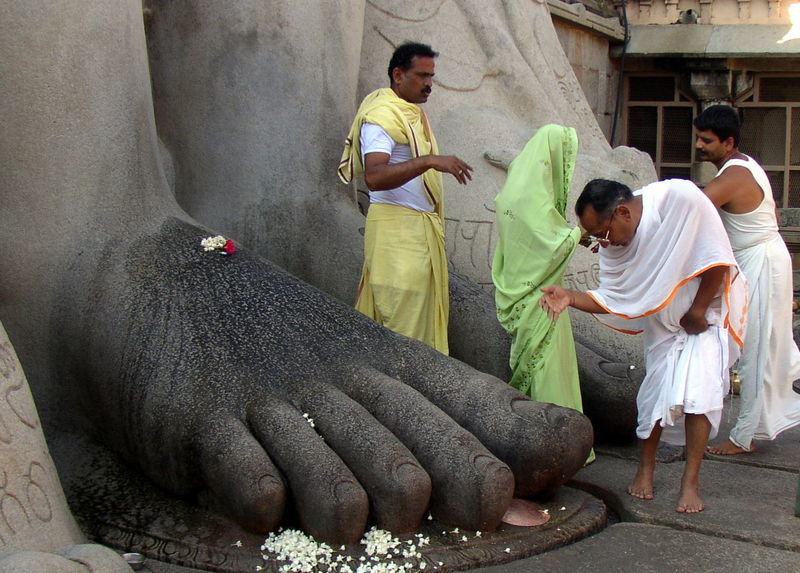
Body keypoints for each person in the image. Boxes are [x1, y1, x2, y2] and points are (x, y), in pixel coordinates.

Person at [539, 178, 747, 513]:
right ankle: (645, 468)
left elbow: (718, 260)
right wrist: (571, 297)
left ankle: (690, 481)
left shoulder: (679, 199)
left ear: (622, 213)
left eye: (601, 233)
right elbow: (614, 295)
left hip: (706, 308)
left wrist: (696, 312)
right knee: (654, 392)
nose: (600, 244)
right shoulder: (613, 244)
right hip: (663, 318)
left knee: (700, 394)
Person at [338, 42, 473, 354]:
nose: (428, 84)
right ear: (398, 75)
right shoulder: (382, 116)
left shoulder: (411, 114)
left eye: (432, 77)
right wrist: (428, 161)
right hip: (396, 235)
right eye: (422, 75)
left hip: (416, 233)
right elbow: (375, 175)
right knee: (401, 326)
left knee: (416, 325)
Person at [694, 104, 800, 455]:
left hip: (761, 262)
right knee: (759, 345)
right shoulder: (738, 165)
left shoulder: (734, 176)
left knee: (756, 348)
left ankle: (744, 436)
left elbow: (694, 210)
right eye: (698, 137)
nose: (698, 145)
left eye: (706, 140)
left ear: (728, 142)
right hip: (759, 260)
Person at [492, 124, 594, 463]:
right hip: (543, 302)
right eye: (564, 159)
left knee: (545, 372)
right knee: (547, 375)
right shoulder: (531, 202)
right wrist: (580, 232)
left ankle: (547, 446)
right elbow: (548, 247)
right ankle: (559, 447)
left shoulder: (516, 193)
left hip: (530, 298)